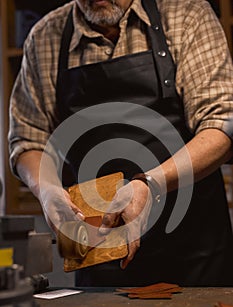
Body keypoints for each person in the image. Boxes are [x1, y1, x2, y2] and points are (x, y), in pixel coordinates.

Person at [8, 0, 233, 287]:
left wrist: (150, 184)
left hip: (197, 253)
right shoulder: (44, 37)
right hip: (100, 257)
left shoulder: (186, 14)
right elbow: (28, 138)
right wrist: (48, 190)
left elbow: (223, 125)